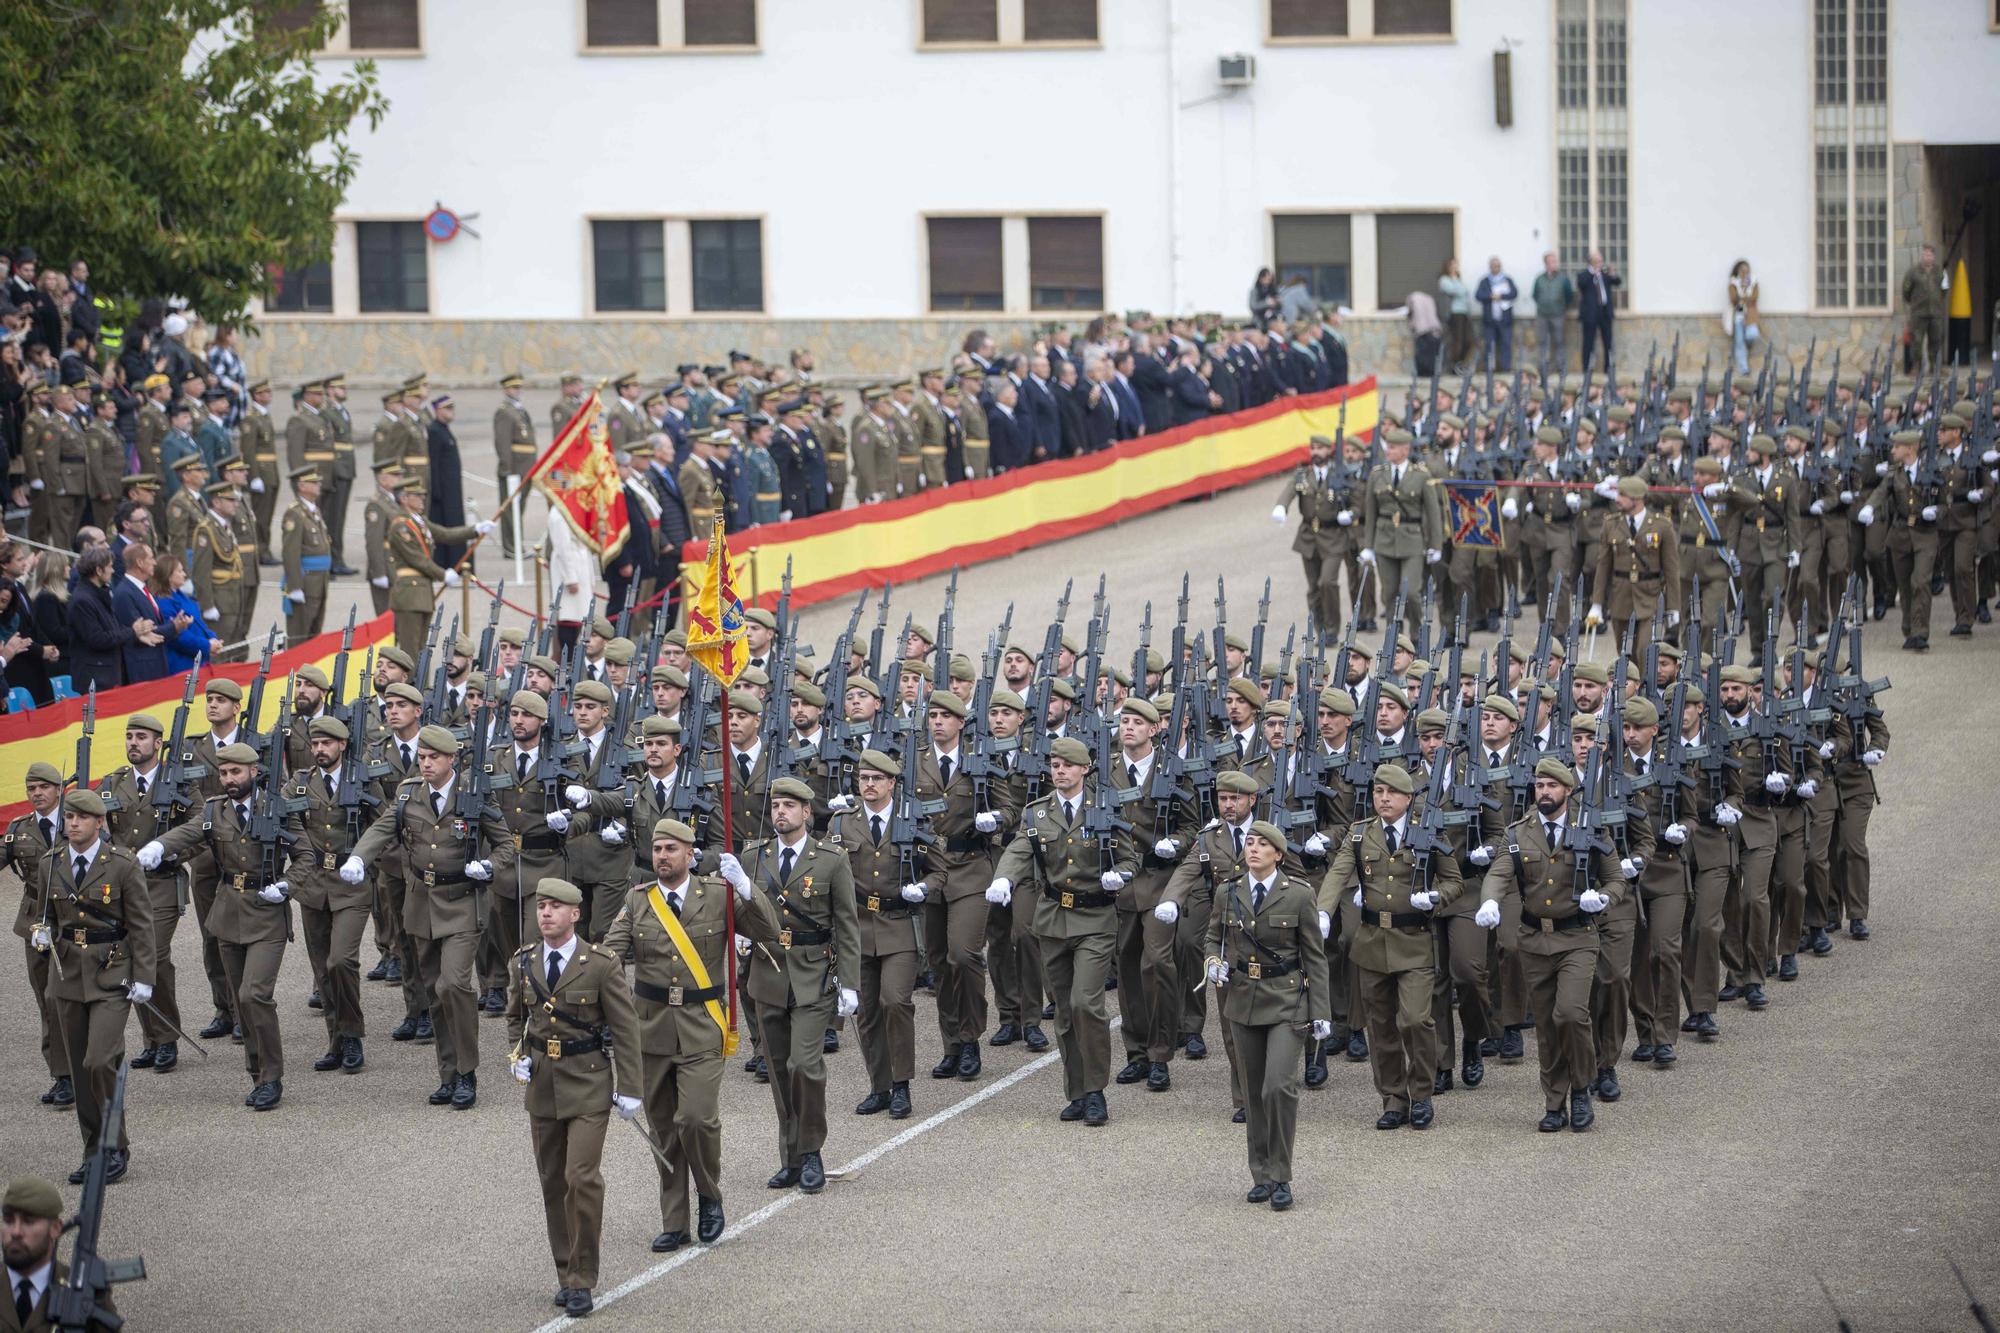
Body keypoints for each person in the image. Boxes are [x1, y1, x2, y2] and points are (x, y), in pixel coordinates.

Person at [347, 724, 516, 1110]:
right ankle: (449, 1074)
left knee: (453, 986)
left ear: (451, 759)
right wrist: (359, 856)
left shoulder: (473, 794)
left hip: (463, 901)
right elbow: (382, 827)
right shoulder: (408, 795)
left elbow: (505, 842)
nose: (425, 764)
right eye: (421, 757)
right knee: (434, 993)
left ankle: (468, 1072)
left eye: (433, 758)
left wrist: (489, 865)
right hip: (422, 904)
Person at [505, 878, 642, 1321]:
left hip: (588, 1083)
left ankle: (583, 1278)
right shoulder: (523, 963)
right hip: (543, 1084)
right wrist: (517, 1056)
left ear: (575, 914)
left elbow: (624, 1029)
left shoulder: (600, 964)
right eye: (541, 907)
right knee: (553, 1183)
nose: (545, 914)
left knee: (581, 1176)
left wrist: (631, 1087)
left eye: (555, 907)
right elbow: (516, 1017)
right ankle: (565, 1274)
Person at [986, 737, 1138, 1127]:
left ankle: (1097, 1091)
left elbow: (1129, 857)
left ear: (1084, 769)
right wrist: (1004, 878)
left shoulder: (1106, 807)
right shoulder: (1037, 814)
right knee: (1067, 1013)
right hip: (1053, 919)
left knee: (1088, 1004)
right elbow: (1021, 850)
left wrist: (1118, 876)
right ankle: (1078, 1092)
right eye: (1055, 764)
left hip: (1095, 921)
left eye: (1067, 765)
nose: (1059, 771)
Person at [602, 819, 735, 1253]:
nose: (662, 856)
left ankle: (709, 1196)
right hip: (651, 1029)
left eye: (671, 849)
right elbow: (610, 956)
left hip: (701, 1026)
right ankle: (674, 1220)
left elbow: (766, 929)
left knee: (695, 1119)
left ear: (689, 853)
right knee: (664, 1131)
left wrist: (747, 889)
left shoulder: (717, 895)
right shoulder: (638, 900)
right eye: (657, 849)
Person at [725, 778, 860, 1195]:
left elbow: (846, 924)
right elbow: (738, 912)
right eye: (777, 805)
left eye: (790, 805)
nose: (780, 812)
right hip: (768, 973)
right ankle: (791, 1157)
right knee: (779, 1070)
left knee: (805, 1065)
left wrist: (849, 983)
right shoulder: (752, 856)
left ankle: (812, 1150)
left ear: (807, 813)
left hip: (813, 974)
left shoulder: (831, 860)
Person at [143, 742, 294, 1112]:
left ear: (253, 773)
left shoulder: (277, 808)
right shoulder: (214, 810)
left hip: (267, 912)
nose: (228, 779)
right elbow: (190, 833)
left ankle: (272, 1077)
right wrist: (158, 847)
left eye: (235, 773)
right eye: (224, 773)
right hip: (228, 914)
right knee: (241, 1003)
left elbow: (304, 854)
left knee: (253, 995)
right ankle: (257, 1073)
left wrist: (290, 884)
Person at [1205, 820, 1329, 1209]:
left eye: (1263, 845)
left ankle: (1282, 1175)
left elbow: (1315, 957)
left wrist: (1321, 1010)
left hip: (1287, 1000)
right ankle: (1261, 1173)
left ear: (1278, 854)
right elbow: (1214, 936)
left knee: (1279, 1086)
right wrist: (1212, 961)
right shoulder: (1229, 893)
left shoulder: (1299, 896)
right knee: (1253, 1092)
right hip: (1243, 999)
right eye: (1250, 843)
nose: (1253, 849)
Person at [37, 789, 154, 1182]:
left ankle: (115, 1145)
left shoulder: (122, 864)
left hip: (111, 974)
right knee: (79, 1070)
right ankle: (94, 1151)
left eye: (82, 818)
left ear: (99, 823)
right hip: (68, 974)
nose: (73, 823)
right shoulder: (50, 865)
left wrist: (145, 979)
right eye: (69, 817)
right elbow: (45, 916)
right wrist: (42, 933)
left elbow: (141, 925)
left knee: (99, 1061)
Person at [3, 763, 73, 1109]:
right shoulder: (19, 830)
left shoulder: (78, 820)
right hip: (36, 923)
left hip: (76, 919)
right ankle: (62, 1075)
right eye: (31, 788)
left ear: (59, 789)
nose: (37, 793)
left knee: (79, 998)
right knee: (47, 1000)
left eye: (44, 787)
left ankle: (86, 1068)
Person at [3, 1175, 121, 1331]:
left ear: (56, 1228)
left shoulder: (82, 1291)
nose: (16, 1232)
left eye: (28, 1221)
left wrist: (97, 1300)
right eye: (8, 1220)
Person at [68, 547, 158, 694]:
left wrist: (135, 633)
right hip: (95, 679)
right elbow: (97, 639)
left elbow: (113, 628)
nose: (113, 571)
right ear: (98, 570)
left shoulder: (99, 594)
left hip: (107, 675)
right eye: (109, 566)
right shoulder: (82, 600)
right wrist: (133, 631)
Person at [280, 465, 333, 642]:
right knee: (300, 637)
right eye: (314, 482)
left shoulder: (313, 511)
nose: (319, 484)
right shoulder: (294, 514)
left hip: (319, 582)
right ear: (302, 486)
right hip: (306, 583)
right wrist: (295, 587)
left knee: (314, 635)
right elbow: (290, 553)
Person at [108, 541, 171, 685]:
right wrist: (174, 627)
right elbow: (143, 632)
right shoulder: (124, 592)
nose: (155, 562)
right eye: (151, 558)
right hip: (143, 670)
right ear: (140, 562)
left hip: (157, 663)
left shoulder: (142, 588)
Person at [492, 373, 537, 559]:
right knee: (511, 511)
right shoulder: (504, 412)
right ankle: (511, 547)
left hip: (525, 467)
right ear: (506, 390)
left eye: (519, 387)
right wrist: (507, 469)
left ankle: (517, 545)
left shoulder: (518, 410)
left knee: (519, 508)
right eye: (513, 388)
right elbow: (503, 444)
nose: (517, 391)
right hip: (514, 468)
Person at [148, 551, 214, 673]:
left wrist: (212, 639)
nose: (184, 574)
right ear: (168, 576)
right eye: (179, 571)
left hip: (198, 660)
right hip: (182, 665)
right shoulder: (164, 603)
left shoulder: (182, 597)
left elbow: (199, 624)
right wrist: (207, 645)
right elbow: (179, 638)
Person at [426, 395, 470, 570]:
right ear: (437, 410)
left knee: (455, 524)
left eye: (452, 408)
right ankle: (447, 563)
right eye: (447, 408)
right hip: (443, 492)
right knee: (446, 528)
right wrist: (436, 491)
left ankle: (458, 563)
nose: (451, 412)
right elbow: (434, 462)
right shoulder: (435, 431)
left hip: (451, 490)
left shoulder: (444, 429)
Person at [1900, 244, 1946, 375]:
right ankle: (1916, 366)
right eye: (1925, 254)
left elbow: (1945, 289)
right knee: (1917, 340)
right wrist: (1915, 303)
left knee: (1936, 339)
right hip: (1918, 313)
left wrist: (1937, 301)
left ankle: (1934, 366)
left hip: (1935, 312)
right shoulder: (1913, 272)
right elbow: (1906, 291)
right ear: (1922, 256)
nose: (1927, 257)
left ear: (1934, 257)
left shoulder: (1940, 272)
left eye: (1930, 255)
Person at [1577, 250, 1621, 376]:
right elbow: (1581, 284)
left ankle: (1609, 369)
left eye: (1601, 260)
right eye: (1598, 260)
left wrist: (1613, 273)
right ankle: (1586, 370)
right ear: (1591, 261)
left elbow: (1617, 282)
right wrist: (1593, 273)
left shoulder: (1605, 274)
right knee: (1588, 343)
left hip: (1605, 313)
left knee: (1608, 342)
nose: (1601, 263)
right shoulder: (1584, 274)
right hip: (1590, 314)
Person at [1532, 251, 1574, 373]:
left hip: (1558, 314)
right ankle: (1543, 366)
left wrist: (1561, 306)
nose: (1555, 264)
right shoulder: (1539, 279)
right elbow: (1535, 295)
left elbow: (1569, 295)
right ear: (1546, 264)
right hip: (1542, 314)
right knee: (1543, 341)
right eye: (1552, 261)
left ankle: (1560, 367)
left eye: (1555, 261)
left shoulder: (1563, 279)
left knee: (1559, 341)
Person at [1475, 256, 1518, 373]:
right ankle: (1490, 368)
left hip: (1505, 320)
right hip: (1489, 320)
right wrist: (1490, 296)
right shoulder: (1485, 281)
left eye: (1497, 266)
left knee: (1506, 344)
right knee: (1489, 345)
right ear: (1490, 267)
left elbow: (1514, 293)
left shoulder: (1507, 280)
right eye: (1493, 266)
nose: (1495, 268)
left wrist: (1501, 296)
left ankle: (1506, 368)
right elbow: (1478, 295)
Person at [1438, 259, 1474, 374]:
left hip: (1464, 313)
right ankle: (1454, 366)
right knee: (1457, 340)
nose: (1455, 267)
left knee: (1468, 340)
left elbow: (1464, 292)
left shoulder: (1458, 280)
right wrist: (1459, 286)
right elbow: (1457, 291)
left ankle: (1461, 364)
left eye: (1456, 265)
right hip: (1454, 313)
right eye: (1452, 265)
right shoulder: (1444, 280)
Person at [1726, 260, 1761, 376]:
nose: (1745, 272)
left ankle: (1748, 344)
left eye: (1747, 270)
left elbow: (1755, 297)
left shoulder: (1753, 282)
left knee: (1752, 334)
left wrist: (1744, 295)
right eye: (1742, 270)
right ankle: (1744, 369)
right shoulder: (1734, 283)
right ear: (1738, 271)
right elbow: (1733, 299)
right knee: (1739, 343)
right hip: (1738, 316)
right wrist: (1742, 293)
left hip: (1750, 314)